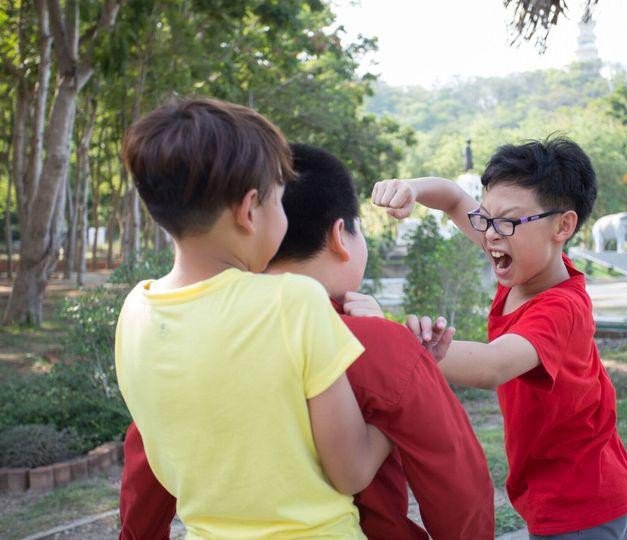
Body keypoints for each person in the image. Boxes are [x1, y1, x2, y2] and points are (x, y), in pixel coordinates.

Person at [119, 143, 495, 540]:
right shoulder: (379, 342)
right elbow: (455, 478)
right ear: (339, 236)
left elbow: (147, 461)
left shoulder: (188, 329)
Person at [115, 98, 393, 539]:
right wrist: (392, 416)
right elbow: (352, 470)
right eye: (279, 200)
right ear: (249, 211)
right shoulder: (294, 302)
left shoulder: (136, 310)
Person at [372, 137, 627, 539]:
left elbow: (492, 365)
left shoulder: (560, 307)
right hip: (553, 492)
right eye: (486, 219)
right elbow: (452, 198)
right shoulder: (524, 261)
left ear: (563, 226)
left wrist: (390, 340)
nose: (491, 235)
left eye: (508, 222)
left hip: (584, 502)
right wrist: (410, 187)